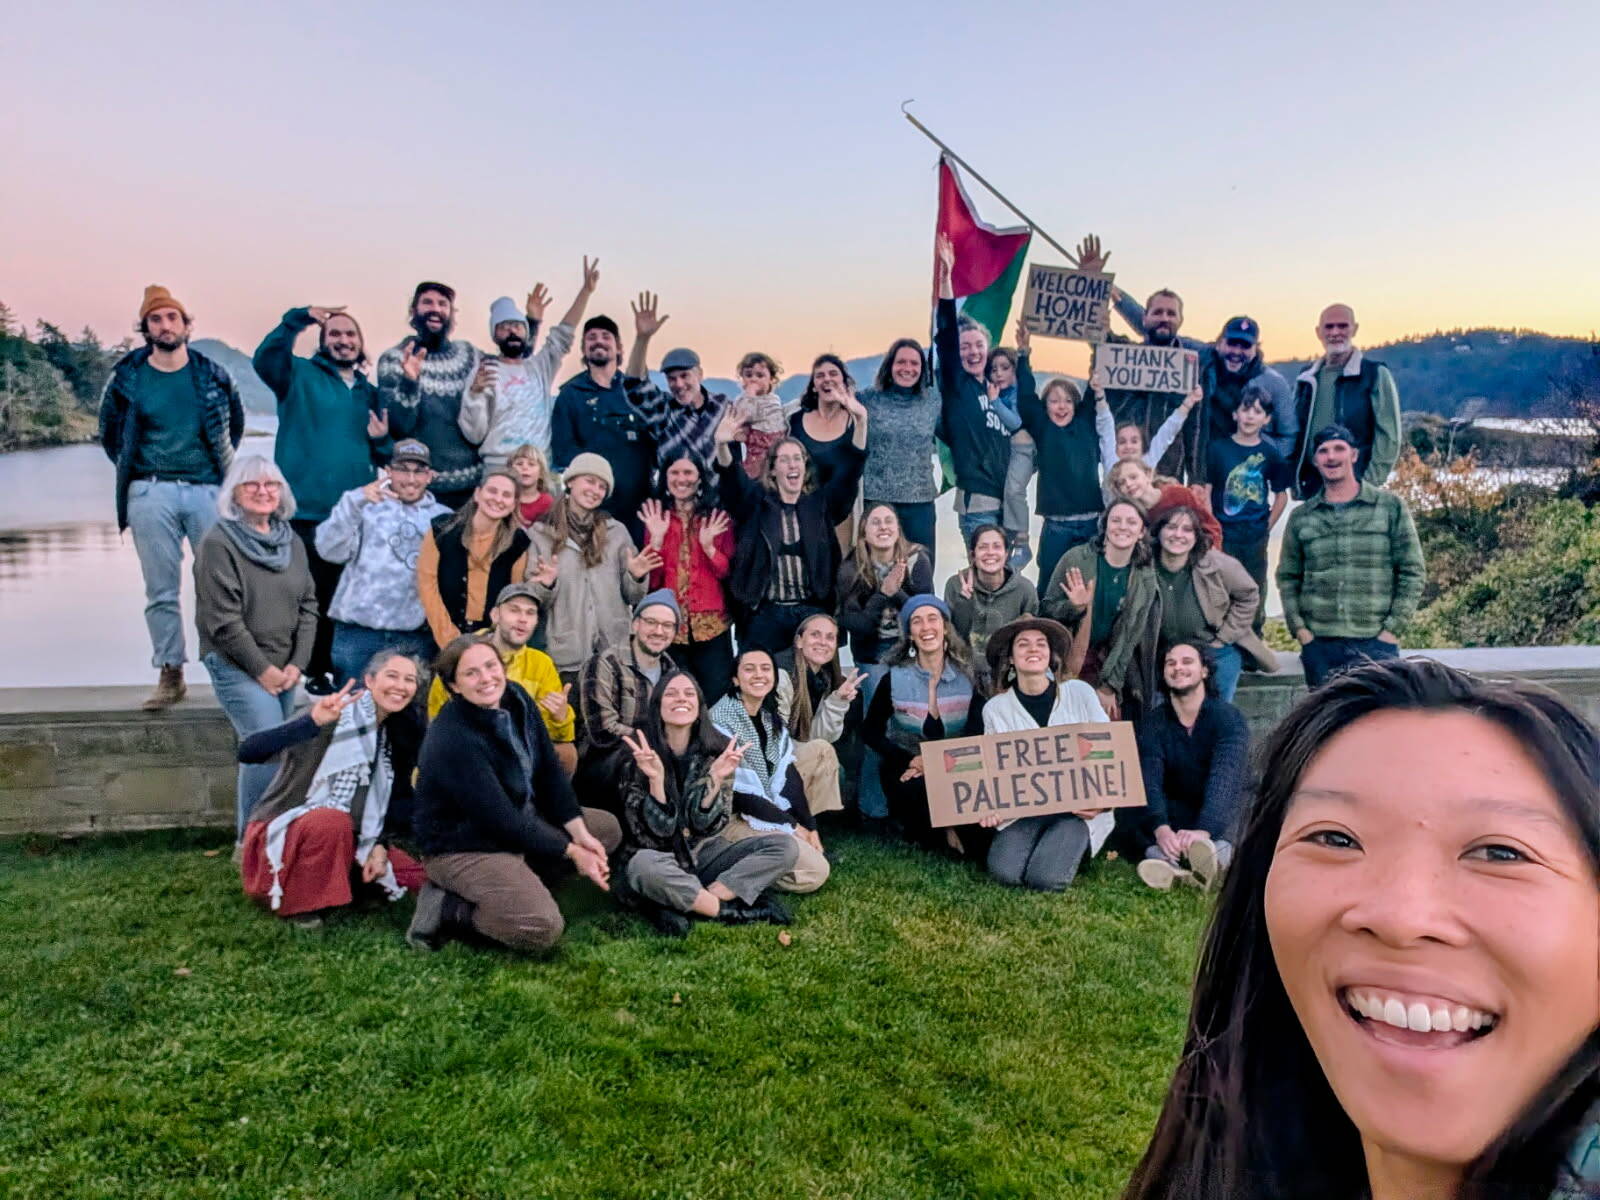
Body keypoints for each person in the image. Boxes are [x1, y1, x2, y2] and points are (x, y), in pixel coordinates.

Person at [1124, 657, 1600, 1200]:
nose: (1401, 918)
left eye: (1500, 852)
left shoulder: (1224, 723)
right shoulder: (1225, 1163)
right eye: (1335, 839)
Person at [406, 637, 621, 954]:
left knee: (604, 830)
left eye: (491, 666)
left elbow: (549, 771)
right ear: (453, 686)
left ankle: (519, 881)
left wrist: (579, 834)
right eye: (471, 673)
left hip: (517, 821)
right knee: (540, 928)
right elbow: (501, 820)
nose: (486, 679)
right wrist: (573, 852)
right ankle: (447, 908)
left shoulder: (516, 697)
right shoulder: (453, 737)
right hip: (462, 845)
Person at [99, 284, 244, 709]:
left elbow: (232, 425)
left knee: (219, 585)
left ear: (185, 324)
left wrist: (217, 473)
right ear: (145, 327)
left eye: (172, 317)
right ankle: (170, 672)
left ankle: (226, 668)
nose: (165, 325)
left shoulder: (213, 373)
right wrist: (139, 476)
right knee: (160, 588)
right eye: (156, 319)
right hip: (151, 490)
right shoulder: (127, 376)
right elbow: (110, 434)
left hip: (206, 490)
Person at [253, 302, 390, 693]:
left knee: (344, 593)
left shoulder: (370, 393)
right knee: (305, 594)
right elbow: (265, 359)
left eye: (351, 335)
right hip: (305, 510)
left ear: (361, 343)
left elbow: (384, 456)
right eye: (336, 334)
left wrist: (383, 440)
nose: (344, 341)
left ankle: (343, 669)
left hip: (356, 514)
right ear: (323, 341)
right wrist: (298, 318)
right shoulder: (298, 376)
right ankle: (309, 670)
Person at [237, 656, 427, 927]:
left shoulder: (390, 736)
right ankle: (300, 906)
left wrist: (379, 845)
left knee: (413, 877)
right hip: (285, 830)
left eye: (409, 680)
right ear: (370, 680)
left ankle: (349, 883)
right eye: (392, 676)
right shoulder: (331, 713)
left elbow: (385, 805)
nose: (400, 686)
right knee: (331, 820)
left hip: (349, 835)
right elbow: (249, 751)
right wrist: (311, 722)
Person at [616, 672, 797, 936]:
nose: (681, 699)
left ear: (699, 706)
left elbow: (709, 828)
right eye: (671, 693)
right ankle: (730, 911)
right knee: (643, 866)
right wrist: (656, 780)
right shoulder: (637, 757)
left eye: (689, 694)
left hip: (702, 854)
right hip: (658, 858)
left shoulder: (716, 754)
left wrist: (714, 781)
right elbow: (653, 839)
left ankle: (689, 902)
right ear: (658, 705)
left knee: (785, 846)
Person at [194, 455, 317, 838]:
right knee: (265, 749)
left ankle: (276, 835)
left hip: (284, 667)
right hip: (238, 665)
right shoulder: (218, 542)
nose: (263, 492)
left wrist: (298, 663)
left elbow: (309, 604)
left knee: (277, 750)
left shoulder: (290, 540)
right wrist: (263, 670)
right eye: (252, 485)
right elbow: (223, 621)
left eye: (271, 485)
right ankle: (250, 842)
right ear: (235, 493)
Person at [1278, 425, 1425, 688]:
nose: (1331, 457)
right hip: (1320, 646)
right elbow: (1288, 577)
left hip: (1375, 644)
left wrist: (1392, 631)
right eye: (1323, 451)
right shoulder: (1302, 517)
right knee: (1324, 725)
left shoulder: (1389, 508)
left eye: (1339, 449)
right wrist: (1301, 631)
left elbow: (1412, 571)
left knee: (1375, 724)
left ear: (1354, 455)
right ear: (1315, 460)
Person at [714, 406, 864, 653]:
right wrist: (722, 445)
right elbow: (731, 480)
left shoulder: (820, 506)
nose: (792, 465)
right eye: (784, 459)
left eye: (797, 458)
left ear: (805, 467)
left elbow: (849, 474)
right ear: (773, 469)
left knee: (814, 684)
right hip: (765, 613)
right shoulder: (755, 503)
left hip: (811, 612)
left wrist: (861, 423)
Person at [977, 618, 1112, 891]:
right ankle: (1049, 846)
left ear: (1051, 656)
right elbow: (994, 771)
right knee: (1004, 872)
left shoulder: (1080, 693)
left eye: (1041, 644)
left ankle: (1066, 848)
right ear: (1011, 659)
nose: (1033, 649)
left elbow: (1109, 753)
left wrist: (1104, 801)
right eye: (1023, 645)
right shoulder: (995, 709)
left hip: (1075, 811)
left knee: (1045, 879)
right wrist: (990, 805)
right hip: (1025, 811)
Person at [314, 438, 451, 686]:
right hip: (359, 635)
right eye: (403, 469)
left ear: (430, 475)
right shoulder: (363, 507)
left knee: (411, 718)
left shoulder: (444, 518)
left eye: (419, 471)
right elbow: (328, 550)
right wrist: (354, 502)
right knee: (355, 715)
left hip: (415, 637)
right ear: (388, 472)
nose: (411, 479)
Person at [862, 595, 986, 856]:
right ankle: (940, 831)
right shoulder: (894, 678)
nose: (926, 627)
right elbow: (870, 731)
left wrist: (935, 763)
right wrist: (911, 760)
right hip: (908, 768)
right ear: (909, 634)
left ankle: (949, 828)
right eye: (916, 622)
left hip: (958, 766)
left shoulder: (967, 677)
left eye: (933, 619)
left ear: (945, 627)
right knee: (917, 791)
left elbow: (977, 733)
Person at [1123, 642, 1250, 893]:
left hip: (1222, 808)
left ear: (1204, 671)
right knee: (1135, 820)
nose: (1178, 668)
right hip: (1177, 807)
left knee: (1235, 829)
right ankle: (1175, 866)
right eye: (1171, 663)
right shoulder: (1153, 723)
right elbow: (1150, 779)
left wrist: (1204, 830)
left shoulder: (1228, 718)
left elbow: (1224, 779)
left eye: (1187, 661)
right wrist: (1162, 829)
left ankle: (1209, 862)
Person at [526, 453, 657, 682]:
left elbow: (634, 596)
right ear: (571, 482)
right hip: (566, 657)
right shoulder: (541, 534)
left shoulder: (616, 532)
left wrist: (636, 577)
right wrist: (547, 585)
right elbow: (532, 600)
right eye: (589, 481)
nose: (595, 490)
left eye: (601, 486)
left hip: (614, 654)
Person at [710, 649, 833, 894]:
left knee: (810, 856)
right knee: (816, 872)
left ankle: (766, 857)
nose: (759, 675)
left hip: (762, 812)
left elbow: (790, 778)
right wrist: (791, 826)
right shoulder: (720, 720)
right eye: (749, 669)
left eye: (766, 669)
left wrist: (810, 826)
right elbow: (740, 796)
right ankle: (726, 864)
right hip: (730, 819)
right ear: (735, 679)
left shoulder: (767, 718)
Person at [456, 259, 597, 467]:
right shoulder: (485, 372)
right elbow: (474, 435)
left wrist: (585, 292)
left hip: (539, 469)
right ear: (495, 334)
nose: (512, 331)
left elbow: (563, 335)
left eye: (517, 326)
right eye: (504, 326)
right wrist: (475, 395)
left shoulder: (539, 368)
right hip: (499, 469)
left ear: (526, 331)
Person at [425, 585, 576, 774]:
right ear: (495, 615)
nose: (523, 619)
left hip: (520, 751)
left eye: (530, 613)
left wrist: (559, 718)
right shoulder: (460, 654)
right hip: (468, 750)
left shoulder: (541, 663)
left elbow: (549, 735)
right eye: (514, 610)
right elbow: (435, 723)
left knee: (566, 753)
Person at [1041, 500, 1160, 720]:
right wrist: (1074, 607)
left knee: (1110, 718)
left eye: (1131, 522)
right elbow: (1046, 610)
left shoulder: (1145, 577)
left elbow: (1130, 638)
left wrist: (1109, 686)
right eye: (1115, 520)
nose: (1122, 527)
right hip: (1066, 656)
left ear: (1142, 531)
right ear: (1105, 526)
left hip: (1108, 660)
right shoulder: (1076, 558)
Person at [1006, 319, 1103, 588]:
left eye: (1067, 400)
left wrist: (1096, 342)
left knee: (1089, 584)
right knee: (1050, 583)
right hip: (1056, 526)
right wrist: (1024, 352)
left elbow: (1095, 383)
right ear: (1045, 405)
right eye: (1054, 400)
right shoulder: (1043, 428)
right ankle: (1046, 627)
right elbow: (1025, 396)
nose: (1061, 406)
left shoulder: (1086, 422)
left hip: (1090, 523)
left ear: (1076, 404)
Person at [1146, 505, 1276, 701]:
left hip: (1215, 651)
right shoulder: (1146, 566)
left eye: (1187, 529)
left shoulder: (1216, 563)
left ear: (1197, 536)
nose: (1178, 535)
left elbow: (1248, 595)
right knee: (1163, 716)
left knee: (1215, 714)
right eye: (1171, 527)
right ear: (1159, 531)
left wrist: (1224, 637)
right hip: (1164, 656)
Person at [550, 314, 655, 544]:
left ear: (619, 348)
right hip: (592, 513)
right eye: (591, 338)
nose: (599, 341)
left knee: (638, 577)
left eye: (606, 336)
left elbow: (658, 442)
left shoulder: (636, 392)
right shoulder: (570, 395)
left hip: (640, 511)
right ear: (583, 349)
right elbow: (563, 453)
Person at [934, 234, 1012, 540]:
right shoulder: (958, 387)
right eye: (965, 347)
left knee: (1010, 579)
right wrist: (946, 278)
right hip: (978, 503)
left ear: (988, 346)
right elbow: (946, 335)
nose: (973, 352)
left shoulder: (998, 389)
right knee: (984, 577)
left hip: (1009, 501)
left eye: (978, 345)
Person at [377, 281, 481, 510]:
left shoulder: (471, 356)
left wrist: (530, 326)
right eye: (427, 302)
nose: (435, 309)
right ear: (413, 311)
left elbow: (512, 366)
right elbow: (398, 427)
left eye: (443, 304)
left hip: (470, 488)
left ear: (451, 313)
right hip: (417, 490)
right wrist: (410, 382)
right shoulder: (393, 359)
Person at [637, 458, 735, 695]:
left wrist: (709, 547)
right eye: (675, 473)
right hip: (671, 628)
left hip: (712, 626)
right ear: (665, 478)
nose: (682, 479)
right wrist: (657, 540)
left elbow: (727, 573)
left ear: (700, 478)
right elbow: (653, 582)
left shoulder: (716, 518)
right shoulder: (657, 519)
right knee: (674, 694)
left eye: (688, 472)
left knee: (717, 695)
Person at [1201, 385, 1292, 633]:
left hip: (1254, 535)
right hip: (1224, 533)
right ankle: (1219, 637)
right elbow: (1207, 491)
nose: (1250, 416)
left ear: (1267, 419)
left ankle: (1253, 638)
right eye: (1246, 409)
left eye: (1258, 411)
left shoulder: (1270, 453)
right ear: (1235, 415)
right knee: (1219, 585)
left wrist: (1266, 526)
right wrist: (1212, 527)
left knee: (1254, 587)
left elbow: (1281, 496)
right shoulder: (1218, 449)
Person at [1290, 303, 1402, 498]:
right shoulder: (1307, 377)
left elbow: (1389, 435)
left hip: (1355, 486)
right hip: (1313, 486)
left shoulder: (1374, 374)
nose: (1335, 332)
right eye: (1329, 327)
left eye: (1342, 326)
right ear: (1318, 332)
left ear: (1354, 329)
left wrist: (1369, 483)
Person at [574, 589, 680, 792]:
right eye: (651, 622)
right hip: (604, 761)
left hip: (653, 756)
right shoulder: (605, 663)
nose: (659, 631)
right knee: (641, 761)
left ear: (674, 633)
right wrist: (655, 743)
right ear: (635, 624)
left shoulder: (672, 672)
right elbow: (602, 731)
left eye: (667, 625)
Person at [416, 469, 529, 650]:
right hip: (440, 635)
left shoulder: (518, 543)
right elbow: (427, 584)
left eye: (506, 495)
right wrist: (448, 637)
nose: (498, 499)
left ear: (514, 504)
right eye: (492, 491)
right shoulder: (442, 529)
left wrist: (494, 639)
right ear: (477, 494)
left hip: (491, 640)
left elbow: (512, 596)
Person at [858, 337, 942, 561]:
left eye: (914, 363)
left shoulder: (933, 400)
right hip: (878, 501)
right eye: (901, 362)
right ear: (890, 366)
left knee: (921, 570)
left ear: (923, 369)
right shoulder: (868, 399)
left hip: (920, 503)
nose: (908, 368)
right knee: (876, 573)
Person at [774, 613, 862, 819]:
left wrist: (838, 701)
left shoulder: (823, 677)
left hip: (791, 749)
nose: (823, 642)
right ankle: (794, 824)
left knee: (831, 765)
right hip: (766, 757)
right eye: (815, 635)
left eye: (830, 637)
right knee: (824, 758)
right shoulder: (782, 673)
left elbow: (819, 737)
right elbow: (776, 740)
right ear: (799, 641)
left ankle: (802, 825)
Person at [789, 353, 871, 550]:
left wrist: (861, 419)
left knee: (838, 576)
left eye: (833, 374)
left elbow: (857, 465)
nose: (827, 379)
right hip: (802, 516)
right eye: (820, 375)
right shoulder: (794, 420)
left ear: (843, 381)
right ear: (813, 385)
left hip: (842, 518)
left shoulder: (855, 421)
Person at [837, 502, 934, 668]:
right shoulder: (850, 569)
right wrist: (882, 595)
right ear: (864, 532)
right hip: (871, 654)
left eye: (889, 521)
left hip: (911, 649)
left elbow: (925, 617)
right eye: (875, 522)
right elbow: (859, 628)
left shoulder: (917, 560)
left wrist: (896, 593)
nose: (883, 527)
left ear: (898, 530)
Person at [944, 522, 1039, 658]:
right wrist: (964, 603)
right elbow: (953, 637)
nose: (990, 553)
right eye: (983, 547)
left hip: (1007, 666)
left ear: (1006, 554)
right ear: (972, 555)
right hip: (965, 665)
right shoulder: (956, 584)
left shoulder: (1025, 589)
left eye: (997, 547)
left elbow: (1031, 636)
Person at [1105, 458, 1223, 546]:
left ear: (1148, 475)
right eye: (1122, 483)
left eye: (1133, 477)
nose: (1129, 484)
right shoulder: (1135, 515)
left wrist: (1212, 553)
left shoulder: (1179, 494)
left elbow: (1211, 527)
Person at [730, 351, 788, 480]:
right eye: (748, 375)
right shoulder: (742, 400)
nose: (753, 379)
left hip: (776, 440)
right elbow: (747, 415)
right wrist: (751, 396)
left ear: (771, 379)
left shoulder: (773, 399)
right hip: (756, 442)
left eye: (760, 375)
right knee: (756, 473)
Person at [507, 442, 556, 527]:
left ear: (541, 473)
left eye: (531, 464)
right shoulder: (505, 498)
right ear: (510, 470)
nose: (525, 467)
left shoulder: (547, 502)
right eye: (519, 464)